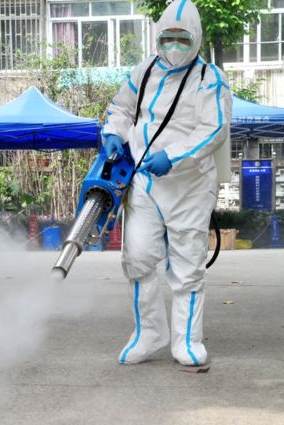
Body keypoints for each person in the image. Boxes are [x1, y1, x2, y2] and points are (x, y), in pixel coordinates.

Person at [101, 0, 232, 366]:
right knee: (138, 258)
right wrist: (113, 133)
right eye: (167, 37)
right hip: (144, 181)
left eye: (182, 38)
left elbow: (214, 130)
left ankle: (187, 340)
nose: (174, 45)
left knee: (187, 265)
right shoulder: (143, 71)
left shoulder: (210, 79)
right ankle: (149, 332)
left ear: (197, 38)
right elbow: (122, 108)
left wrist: (173, 155)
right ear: (157, 36)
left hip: (188, 186)